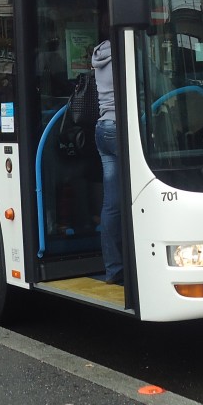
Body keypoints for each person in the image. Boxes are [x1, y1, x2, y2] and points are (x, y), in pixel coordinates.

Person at [92, 27, 122, 285]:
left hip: (102, 128)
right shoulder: (125, 52)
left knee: (112, 204)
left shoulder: (99, 55)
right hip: (120, 129)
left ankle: (114, 269)